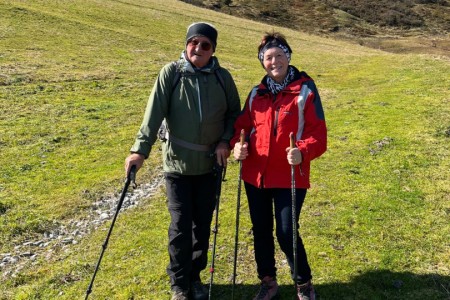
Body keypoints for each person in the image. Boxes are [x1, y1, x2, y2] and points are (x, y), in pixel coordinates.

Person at [124, 22, 241, 300]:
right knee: (180, 226)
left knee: (201, 226)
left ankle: (195, 277)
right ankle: (179, 284)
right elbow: (153, 115)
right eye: (194, 42)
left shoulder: (222, 78)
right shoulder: (171, 74)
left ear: (213, 50)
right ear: (187, 44)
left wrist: (226, 141)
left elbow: (234, 115)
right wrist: (140, 151)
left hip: (210, 166)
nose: (198, 49)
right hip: (177, 165)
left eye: (205, 45)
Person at [231, 32, 327, 300]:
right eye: (268, 57)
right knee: (260, 230)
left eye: (279, 55)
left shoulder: (305, 90)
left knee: (286, 231)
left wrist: (303, 151)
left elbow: (319, 136)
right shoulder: (255, 94)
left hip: (290, 175)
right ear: (263, 62)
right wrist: (236, 147)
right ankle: (268, 281)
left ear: (289, 57)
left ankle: (303, 283)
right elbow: (241, 128)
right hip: (255, 175)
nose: (274, 61)